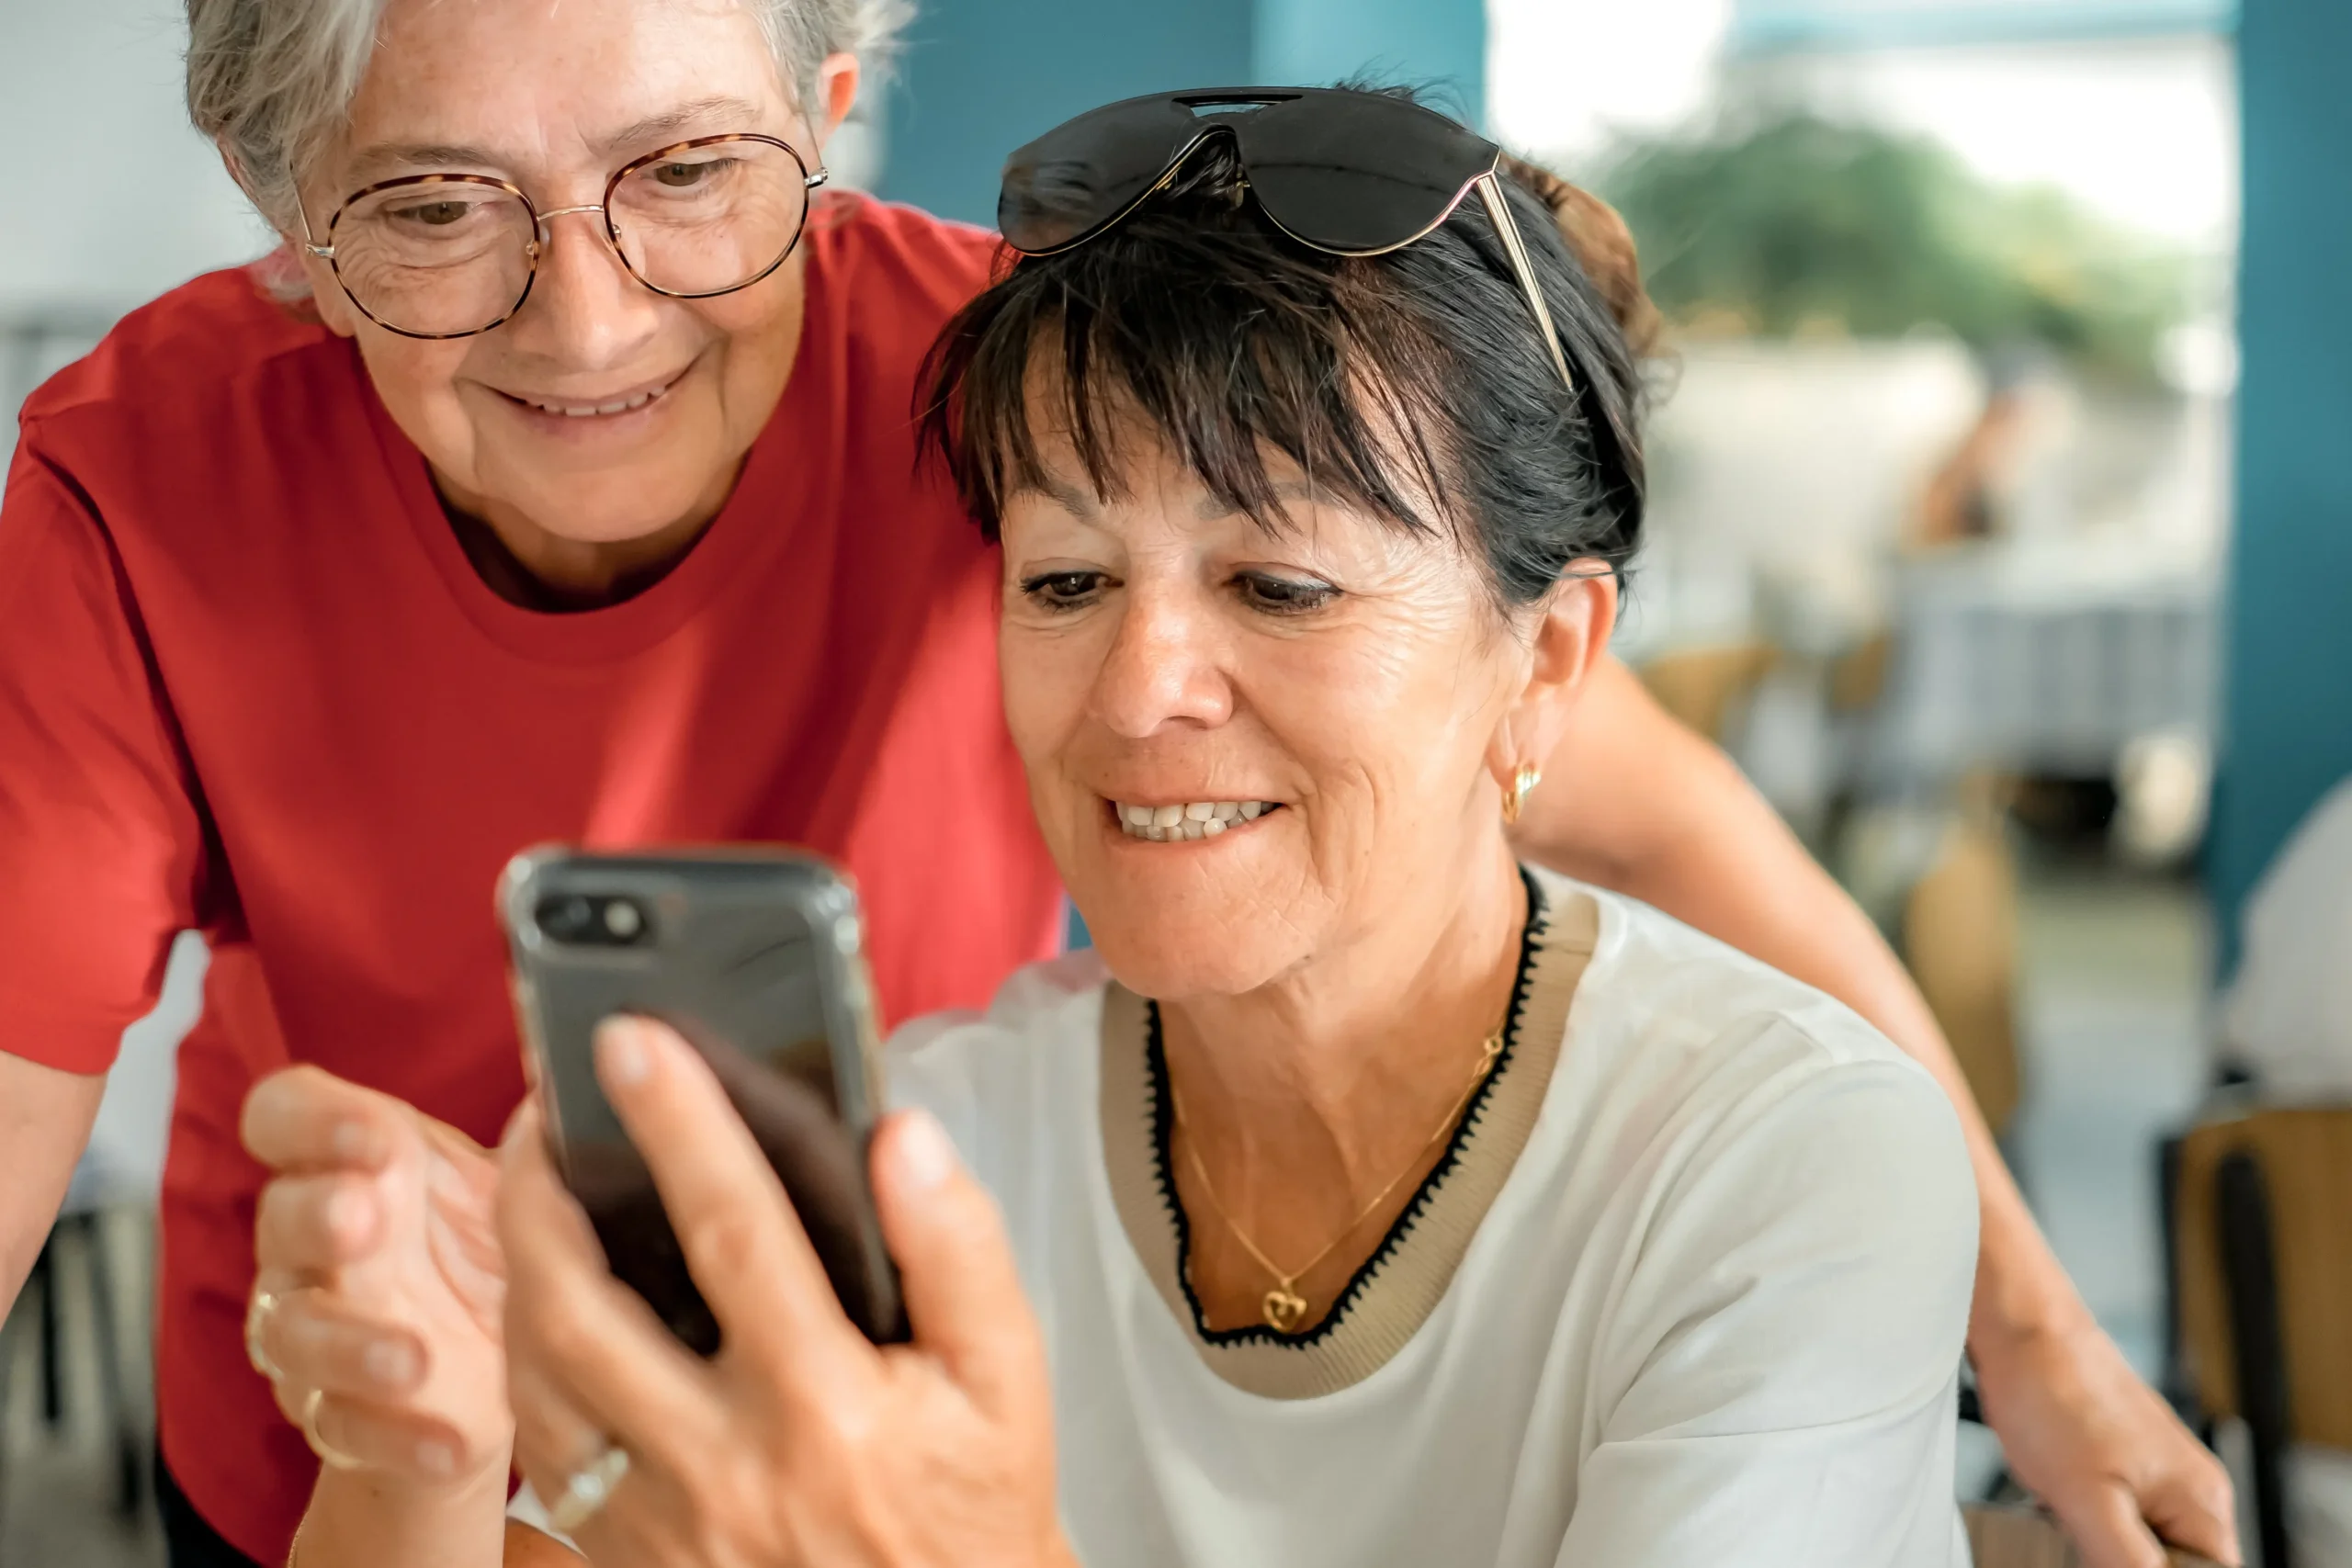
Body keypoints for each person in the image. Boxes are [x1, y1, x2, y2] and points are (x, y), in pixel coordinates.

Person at [0, 4, 2234, 1567]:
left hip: (919, 1303)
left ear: (830, 109)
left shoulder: (1032, 395)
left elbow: (1615, 797)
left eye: (684, 173)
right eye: (431, 205)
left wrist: (2022, 1342)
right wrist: (420, 1429)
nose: (588, 320)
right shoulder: (141, 484)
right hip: (377, 1359)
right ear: (283, 211)